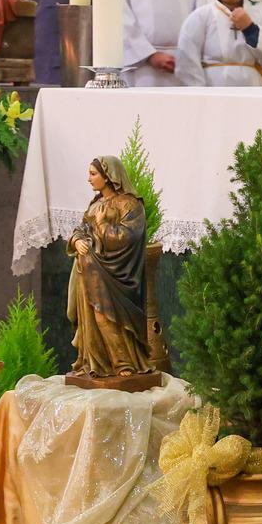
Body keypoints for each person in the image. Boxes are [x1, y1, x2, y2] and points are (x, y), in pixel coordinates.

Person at [66, 156, 153, 380]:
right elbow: (81, 228)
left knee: (106, 315)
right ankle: (96, 362)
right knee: (93, 318)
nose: (89, 179)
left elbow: (128, 238)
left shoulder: (130, 204)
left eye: (93, 174)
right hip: (88, 269)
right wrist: (77, 240)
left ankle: (124, 362)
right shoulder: (95, 204)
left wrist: (102, 225)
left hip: (118, 273)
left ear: (109, 175)